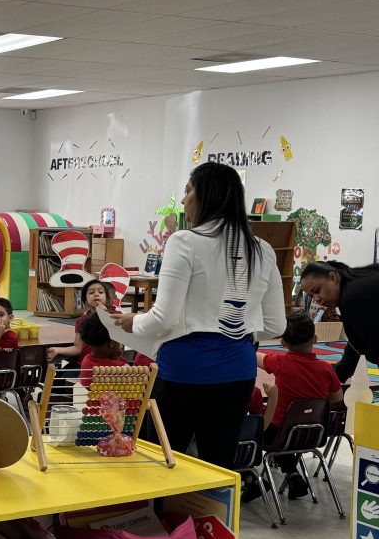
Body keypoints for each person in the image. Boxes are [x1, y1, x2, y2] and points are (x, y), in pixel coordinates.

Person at [113, 162, 286, 470]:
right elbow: (276, 325)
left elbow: (163, 318)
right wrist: (232, 330)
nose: (183, 200)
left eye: (188, 190)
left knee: (164, 464)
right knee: (218, 467)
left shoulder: (185, 241)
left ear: (207, 195)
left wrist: (132, 321)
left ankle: (170, 506)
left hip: (184, 371)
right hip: (239, 371)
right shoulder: (263, 249)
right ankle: (214, 505)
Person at [249, 312, 343, 501]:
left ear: (283, 342)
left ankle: (252, 479)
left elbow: (254, 356)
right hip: (314, 433)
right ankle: (292, 474)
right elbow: (337, 398)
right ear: (315, 339)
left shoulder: (280, 363)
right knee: (285, 435)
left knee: (258, 431)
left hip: (277, 433)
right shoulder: (326, 368)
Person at [299, 260, 379, 382]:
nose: (317, 299)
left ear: (333, 278)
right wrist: (341, 371)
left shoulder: (352, 296)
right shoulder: (355, 285)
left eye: (317, 290)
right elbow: (357, 339)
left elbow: (372, 344)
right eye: (311, 296)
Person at [46, 278, 114, 365]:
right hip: (86, 363)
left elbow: (116, 344)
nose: (96, 294)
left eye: (100, 292)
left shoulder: (115, 316)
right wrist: (58, 350)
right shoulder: (81, 321)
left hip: (108, 365)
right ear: (85, 301)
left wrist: (104, 314)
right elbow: (77, 348)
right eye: (91, 292)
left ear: (107, 298)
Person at [78, 315, 127, 389]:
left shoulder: (86, 360)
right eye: (118, 340)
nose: (121, 344)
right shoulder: (118, 369)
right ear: (111, 344)